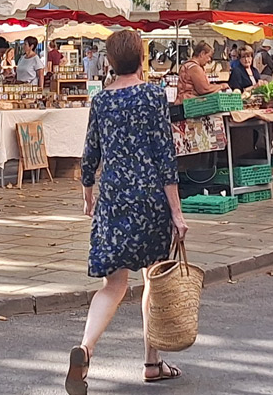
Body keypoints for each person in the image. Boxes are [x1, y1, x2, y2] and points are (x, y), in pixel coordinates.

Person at [66, 29, 189, 394]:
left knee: (113, 284)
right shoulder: (153, 96)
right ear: (142, 58)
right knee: (154, 278)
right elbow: (165, 158)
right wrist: (177, 214)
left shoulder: (101, 101)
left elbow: (90, 155)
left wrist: (88, 196)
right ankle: (152, 362)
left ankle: (86, 348)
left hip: (114, 197)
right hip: (150, 198)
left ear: (109, 61)